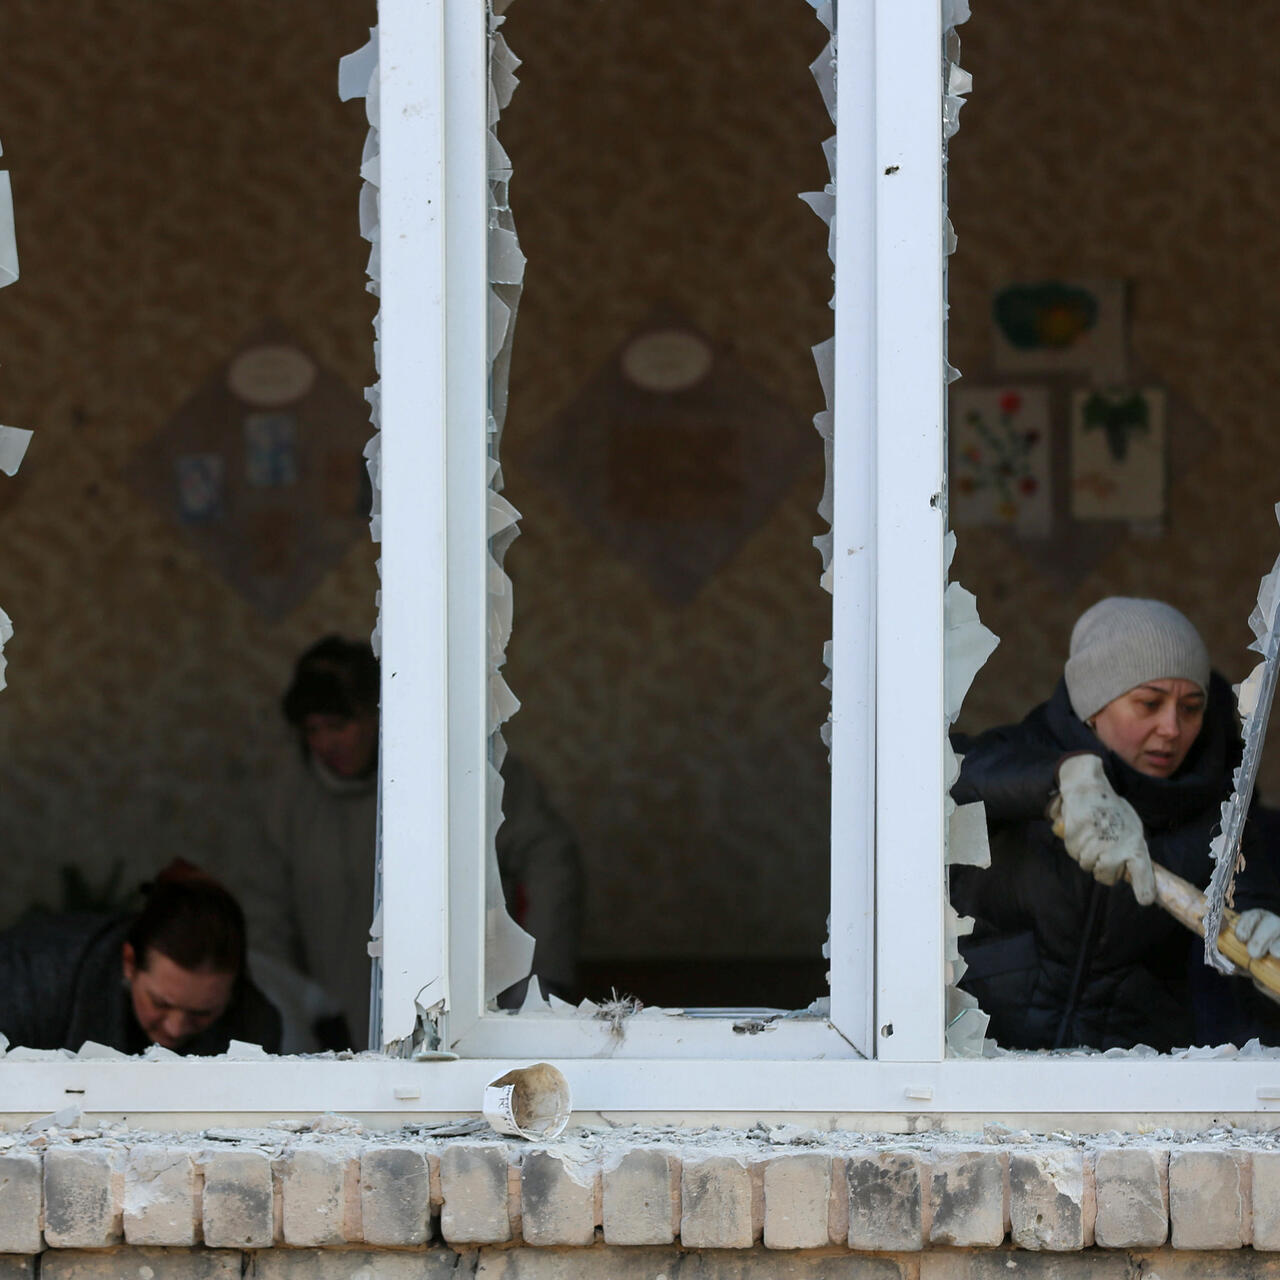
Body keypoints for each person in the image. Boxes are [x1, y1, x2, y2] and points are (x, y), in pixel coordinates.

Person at [951, 597, 1280, 1052]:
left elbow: (1250, 898)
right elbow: (936, 777)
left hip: (1127, 1075)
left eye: (1190, 707)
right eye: (1149, 703)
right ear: (1093, 704)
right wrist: (1056, 782)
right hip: (982, 1061)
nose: (1171, 727)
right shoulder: (1017, 755)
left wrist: (1265, 939)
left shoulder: (1221, 806)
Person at [236, 635, 583, 1048]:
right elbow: (263, 922)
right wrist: (292, 1016)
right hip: (333, 1033)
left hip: (470, 1025)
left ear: (377, 714)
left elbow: (550, 861)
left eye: (340, 725)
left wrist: (537, 985)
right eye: (313, 729)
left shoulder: (458, 770)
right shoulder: (283, 801)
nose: (327, 743)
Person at [0, 863, 281, 1055]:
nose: (175, 1028)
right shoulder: (34, 976)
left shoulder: (254, 1026)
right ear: (129, 962)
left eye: (202, 1013)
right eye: (160, 1003)